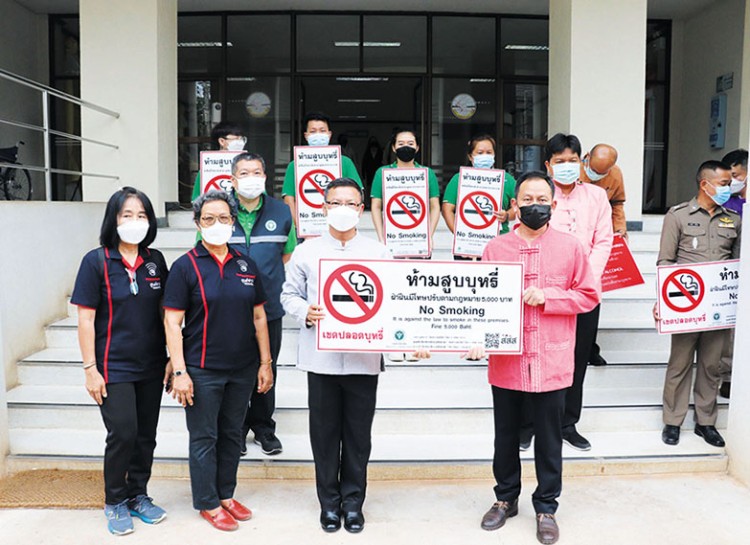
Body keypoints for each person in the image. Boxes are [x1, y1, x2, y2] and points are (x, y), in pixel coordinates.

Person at [280, 178, 430, 534]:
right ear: (323, 208)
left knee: (359, 436)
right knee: (325, 434)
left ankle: (353, 504)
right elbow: (288, 296)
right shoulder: (307, 251)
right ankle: (328, 504)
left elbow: (396, 302)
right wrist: (305, 312)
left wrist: (412, 339)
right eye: (336, 203)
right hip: (321, 361)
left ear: (361, 210)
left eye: (350, 203)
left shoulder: (378, 252)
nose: (343, 209)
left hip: (364, 362)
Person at [478, 171, 599, 545]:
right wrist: (475, 338)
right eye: (527, 199)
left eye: (542, 199)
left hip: (552, 358)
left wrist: (550, 297)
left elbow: (588, 296)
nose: (535, 206)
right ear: (514, 205)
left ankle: (546, 506)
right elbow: (477, 303)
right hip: (508, 360)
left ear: (554, 204)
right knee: (505, 437)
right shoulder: (495, 249)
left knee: (549, 439)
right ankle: (505, 498)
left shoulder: (571, 247)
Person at [163, 190, 273, 532]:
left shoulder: (245, 264)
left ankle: (226, 494)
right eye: (208, 218)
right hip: (201, 370)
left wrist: (265, 362)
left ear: (234, 221)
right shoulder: (185, 267)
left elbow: (259, 318)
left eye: (224, 218)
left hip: (242, 369)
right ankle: (208, 502)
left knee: (231, 434)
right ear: (197, 224)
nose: (217, 224)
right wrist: (179, 370)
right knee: (204, 436)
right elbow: (171, 322)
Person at [71, 187, 169, 536]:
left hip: (152, 365)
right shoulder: (96, 261)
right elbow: (85, 320)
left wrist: (172, 358)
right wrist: (89, 369)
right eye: (127, 215)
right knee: (123, 432)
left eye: (142, 215)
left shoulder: (156, 260)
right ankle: (114, 500)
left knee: (146, 435)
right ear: (114, 220)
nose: (135, 221)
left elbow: (165, 315)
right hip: (112, 366)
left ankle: (138, 495)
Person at [655, 160, 741, 448]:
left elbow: (740, 264)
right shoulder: (678, 215)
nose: (729, 188)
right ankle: (673, 421)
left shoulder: (733, 219)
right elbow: (665, 261)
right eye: (724, 183)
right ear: (705, 184)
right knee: (679, 363)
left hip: (718, 306)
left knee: (711, 365)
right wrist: (662, 302)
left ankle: (706, 422)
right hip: (686, 304)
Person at [219, 152, 296, 456]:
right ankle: (235, 430)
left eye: (257, 172)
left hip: (269, 307)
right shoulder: (220, 209)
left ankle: (263, 426)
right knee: (235, 368)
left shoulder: (282, 211)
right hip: (228, 306)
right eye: (244, 172)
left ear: (265, 176)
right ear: (233, 179)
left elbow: (288, 254)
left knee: (267, 365)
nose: (251, 178)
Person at [543, 133, 613, 452]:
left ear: (581, 162)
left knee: (577, 358)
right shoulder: (540, 194)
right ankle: (533, 423)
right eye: (560, 162)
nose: (566, 166)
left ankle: (568, 423)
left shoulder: (597, 196)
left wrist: (587, 281)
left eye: (572, 160)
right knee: (542, 354)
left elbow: (603, 241)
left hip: (585, 291)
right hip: (546, 290)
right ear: (548, 165)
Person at [580, 143, 627, 366]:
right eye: (594, 170)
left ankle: (590, 348)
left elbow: (617, 203)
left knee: (594, 295)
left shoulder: (615, 175)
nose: (597, 175)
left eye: (602, 173)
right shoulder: (573, 171)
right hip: (576, 237)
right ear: (586, 158)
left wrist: (620, 229)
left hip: (599, 239)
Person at [442, 134, 517, 259]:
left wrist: (507, 215)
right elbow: (447, 209)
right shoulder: (458, 179)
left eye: (489, 152)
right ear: (470, 156)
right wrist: (460, 236)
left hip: (499, 243)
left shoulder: (507, 180)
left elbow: (518, 207)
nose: (485, 156)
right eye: (480, 152)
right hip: (467, 245)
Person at [281, 112, 363, 224]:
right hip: (305, 228)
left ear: (329, 134)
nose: (318, 134)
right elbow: (289, 199)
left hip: (340, 226)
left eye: (322, 131)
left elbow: (357, 193)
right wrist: (298, 226)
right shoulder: (294, 165)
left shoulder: (344, 162)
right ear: (306, 135)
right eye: (313, 131)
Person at [369, 128, 441, 244]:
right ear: (393, 147)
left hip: (419, 238)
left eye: (411, 143)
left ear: (417, 147)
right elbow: (376, 206)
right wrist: (381, 237)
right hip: (392, 239)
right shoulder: (381, 172)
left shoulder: (427, 173)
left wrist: (429, 236)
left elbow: (435, 206)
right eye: (401, 143)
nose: (405, 147)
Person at [717, 149, 747, 398]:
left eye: (736, 175)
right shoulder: (727, 203)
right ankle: (727, 377)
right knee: (730, 331)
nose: (732, 181)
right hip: (731, 274)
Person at [190, 121, 247, 201]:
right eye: (236, 139)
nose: (240, 142)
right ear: (222, 141)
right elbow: (196, 199)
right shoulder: (207, 168)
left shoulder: (249, 164)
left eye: (242, 139)